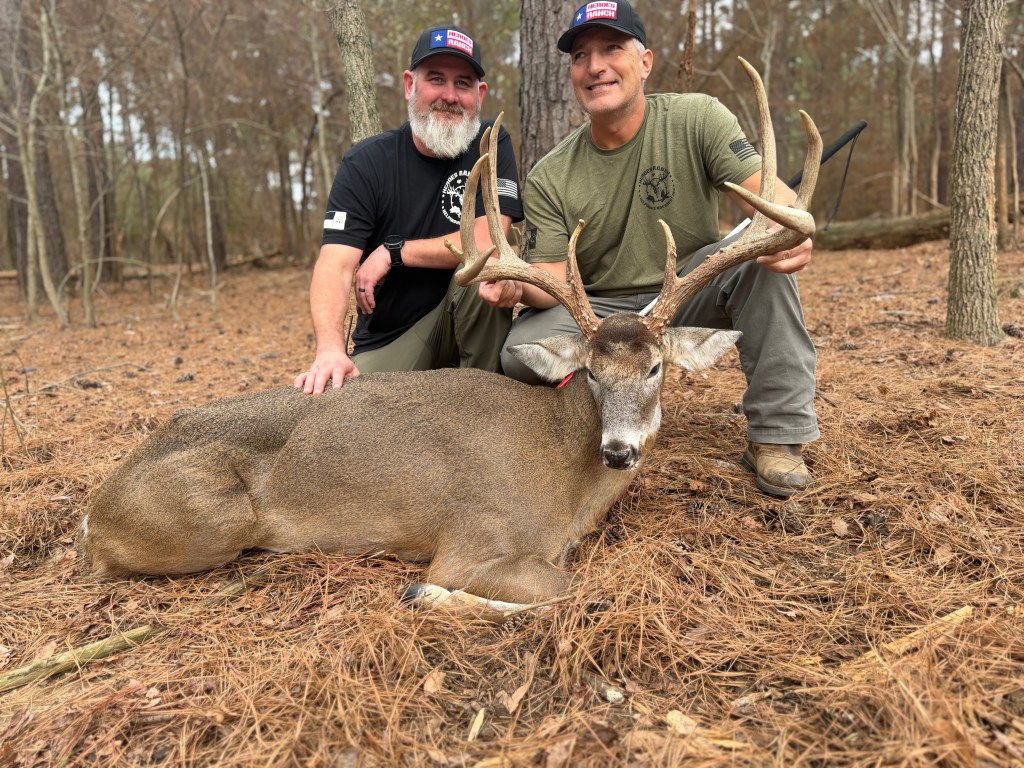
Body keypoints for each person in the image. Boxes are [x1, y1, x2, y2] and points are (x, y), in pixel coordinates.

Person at [480, 1, 817, 497]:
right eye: (580, 56)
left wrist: (791, 229)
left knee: (760, 262)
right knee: (516, 355)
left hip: (682, 294)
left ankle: (778, 437)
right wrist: (518, 285)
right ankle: (606, 418)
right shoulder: (551, 173)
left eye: (612, 48)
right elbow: (551, 279)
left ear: (645, 62)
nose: (595, 67)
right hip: (595, 314)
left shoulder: (696, 118)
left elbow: (772, 196)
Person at [295, 24, 523, 396]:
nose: (449, 95)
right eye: (436, 79)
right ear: (409, 85)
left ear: (479, 94)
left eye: (463, 83)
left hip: (464, 321)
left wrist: (395, 252)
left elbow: (487, 239)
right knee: (344, 413)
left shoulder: (491, 144)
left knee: (487, 266)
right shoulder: (366, 163)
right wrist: (329, 350)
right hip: (394, 337)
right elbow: (334, 264)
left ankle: (483, 406)